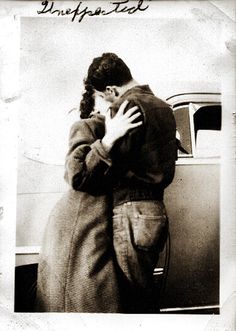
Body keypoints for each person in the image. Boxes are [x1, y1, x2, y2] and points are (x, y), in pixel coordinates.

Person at [72, 52, 177, 313]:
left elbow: (98, 173)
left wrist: (106, 139)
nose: (104, 103)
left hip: (130, 213)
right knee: (144, 291)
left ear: (111, 89)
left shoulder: (124, 109)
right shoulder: (164, 107)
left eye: (101, 96)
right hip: (156, 212)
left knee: (131, 302)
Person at [36, 96, 141, 311]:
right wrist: (108, 139)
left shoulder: (118, 125)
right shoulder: (86, 125)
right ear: (96, 104)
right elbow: (75, 175)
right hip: (81, 222)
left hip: (95, 220)